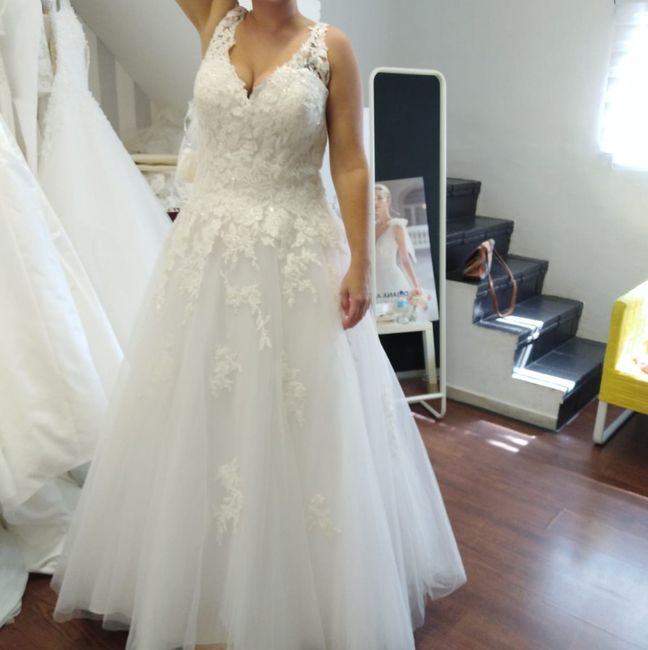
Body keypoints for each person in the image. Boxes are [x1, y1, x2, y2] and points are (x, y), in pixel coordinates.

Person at [51, 2, 466, 649]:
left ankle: (295, 594)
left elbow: (349, 162)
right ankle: (199, 585)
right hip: (207, 255)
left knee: (295, 420)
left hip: (296, 256)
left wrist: (361, 261)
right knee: (203, 415)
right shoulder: (216, 19)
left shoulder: (331, 48)